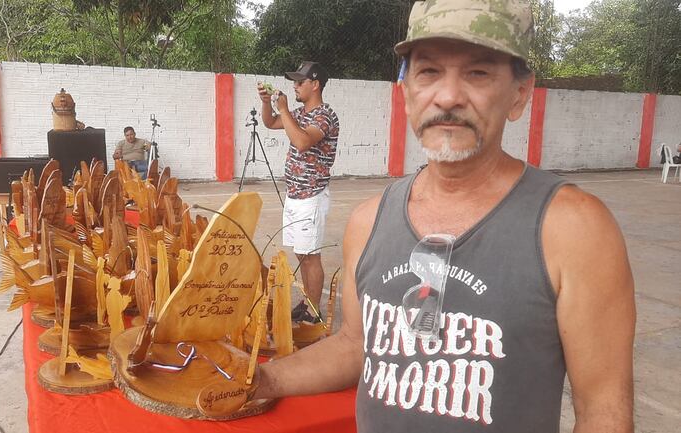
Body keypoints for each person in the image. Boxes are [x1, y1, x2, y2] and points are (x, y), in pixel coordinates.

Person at [253, 2, 636, 433]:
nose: (449, 96)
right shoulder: (368, 221)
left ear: (519, 94)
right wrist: (261, 380)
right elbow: (354, 345)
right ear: (407, 92)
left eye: (478, 72)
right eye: (429, 71)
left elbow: (604, 411)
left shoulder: (575, 229)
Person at [257, 61, 340, 324]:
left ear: (315, 84)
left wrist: (283, 109)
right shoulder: (300, 113)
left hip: (311, 196)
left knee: (311, 255)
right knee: (302, 253)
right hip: (295, 194)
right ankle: (308, 302)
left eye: (300, 82)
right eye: (294, 81)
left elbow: (302, 142)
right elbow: (270, 122)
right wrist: (267, 103)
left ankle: (314, 313)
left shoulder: (324, 115)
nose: (295, 86)